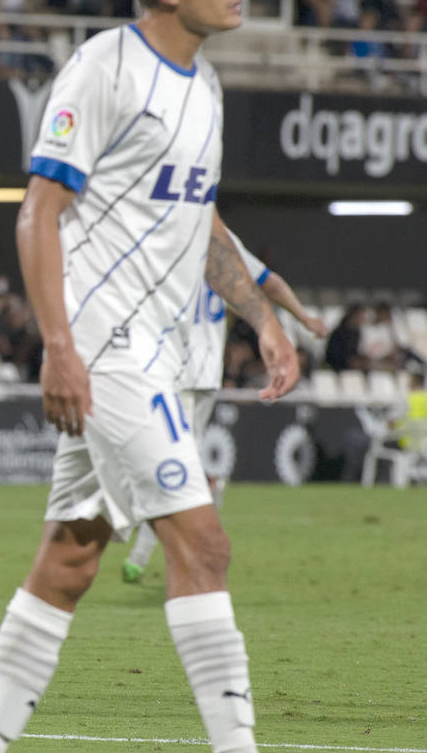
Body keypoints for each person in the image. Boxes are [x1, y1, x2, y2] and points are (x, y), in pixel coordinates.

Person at [0, 0, 360, 753]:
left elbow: (200, 227)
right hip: (105, 347)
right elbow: (38, 213)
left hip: (152, 351)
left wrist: (262, 317)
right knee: (202, 546)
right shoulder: (104, 69)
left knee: (72, 558)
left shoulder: (204, 89)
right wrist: (57, 345)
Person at [122, 230, 327, 582]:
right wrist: (304, 317)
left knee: (164, 464)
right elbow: (270, 283)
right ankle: (177, 536)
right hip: (192, 372)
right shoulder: (219, 240)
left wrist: (304, 320)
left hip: (180, 371)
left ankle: (174, 553)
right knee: (165, 462)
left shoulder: (167, 229)